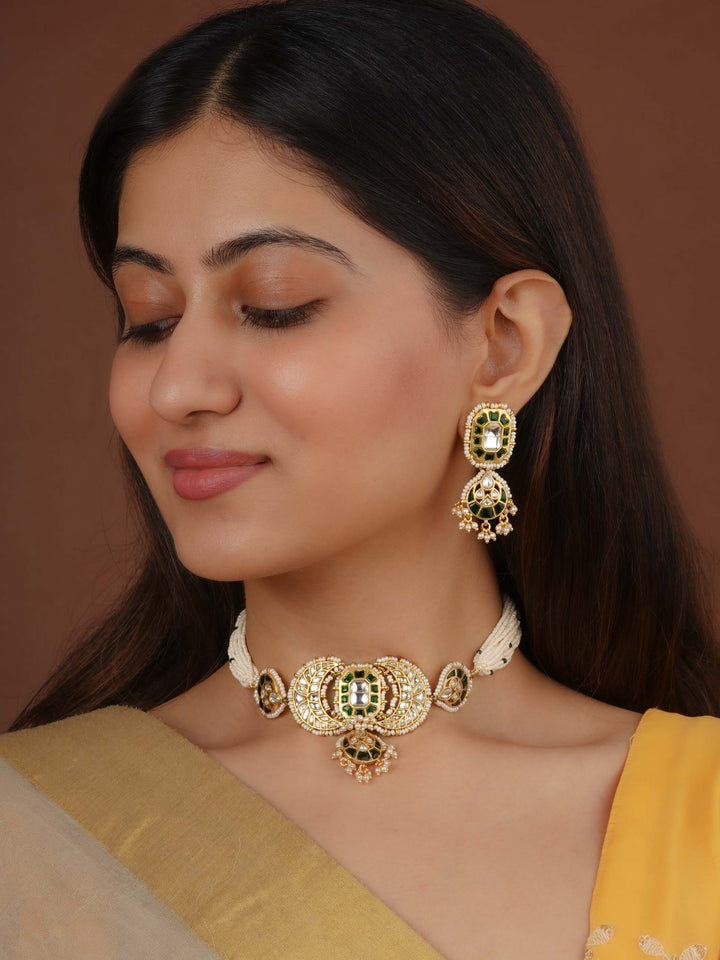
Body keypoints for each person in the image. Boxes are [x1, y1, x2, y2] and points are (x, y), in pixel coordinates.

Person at [1, 0, 719, 956]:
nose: (175, 387)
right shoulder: (36, 828)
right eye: (150, 317)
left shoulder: (700, 822)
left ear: (505, 345)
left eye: (274, 305)